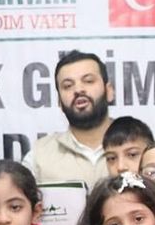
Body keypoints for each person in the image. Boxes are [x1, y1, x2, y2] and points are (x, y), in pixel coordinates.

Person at [24, 50, 114, 187]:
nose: (78, 90)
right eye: (68, 86)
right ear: (59, 102)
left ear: (109, 91)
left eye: (88, 81)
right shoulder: (38, 157)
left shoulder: (139, 146)